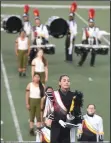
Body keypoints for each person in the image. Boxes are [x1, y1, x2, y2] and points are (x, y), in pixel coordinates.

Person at [50, 75, 82, 143]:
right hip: (56, 126)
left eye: (68, 81)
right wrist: (59, 120)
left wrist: (79, 123)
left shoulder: (75, 96)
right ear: (59, 83)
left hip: (68, 127)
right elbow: (50, 111)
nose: (66, 82)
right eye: (64, 80)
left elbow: (78, 112)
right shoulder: (54, 95)